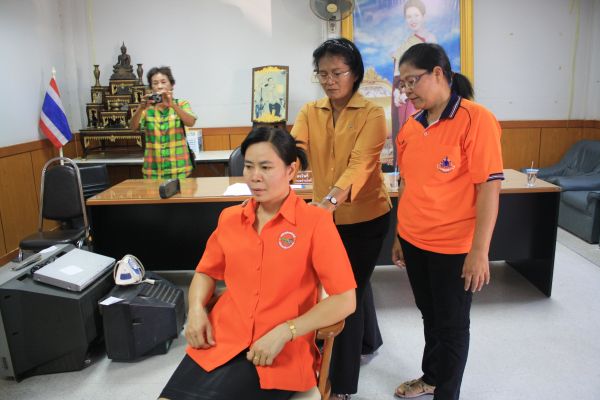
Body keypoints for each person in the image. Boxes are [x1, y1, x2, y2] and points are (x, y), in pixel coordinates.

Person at [159, 127, 357, 400]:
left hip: (279, 350)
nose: (254, 176)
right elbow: (205, 272)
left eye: (266, 167)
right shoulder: (230, 218)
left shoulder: (315, 223)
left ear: (291, 169)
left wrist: (287, 331)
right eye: (249, 166)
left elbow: (345, 300)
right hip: (221, 339)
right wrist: (195, 310)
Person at [392, 43, 503, 400]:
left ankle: (446, 392)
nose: (407, 90)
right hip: (414, 240)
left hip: (454, 246)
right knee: (430, 314)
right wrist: (399, 235)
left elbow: (489, 188)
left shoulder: (476, 119)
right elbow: (407, 185)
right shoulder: (411, 126)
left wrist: (479, 251)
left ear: (438, 73)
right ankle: (431, 377)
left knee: (452, 325)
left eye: (413, 81)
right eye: (403, 83)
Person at [291, 38, 392, 399]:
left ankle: (342, 386)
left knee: (344, 294)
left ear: (355, 74)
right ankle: (369, 342)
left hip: (366, 218)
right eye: (322, 74)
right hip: (327, 219)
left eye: (337, 73)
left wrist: (328, 202)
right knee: (354, 282)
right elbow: (295, 150)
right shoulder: (310, 110)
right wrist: (275, 168)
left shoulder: (372, 114)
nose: (329, 81)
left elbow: (359, 166)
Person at [391, 0, 437, 167]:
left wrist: (409, 89)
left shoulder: (429, 39)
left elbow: (430, 74)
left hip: (419, 94)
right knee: (403, 130)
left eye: (416, 15)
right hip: (401, 93)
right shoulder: (406, 41)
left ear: (423, 16)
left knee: (417, 129)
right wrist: (398, 91)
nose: (413, 20)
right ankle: (402, 170)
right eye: (409, 16)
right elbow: (397, 71)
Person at [130, 66, 196, 179]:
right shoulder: (146, 108)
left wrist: (173, 105)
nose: (159, 86)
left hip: (180, 169)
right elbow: (133, 127)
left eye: (163, 82)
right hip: (153, 171)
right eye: (155, 83)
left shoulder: (181, 104)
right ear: (151, 87)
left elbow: (191, 122)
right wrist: (140, 108)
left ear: (171, 85)